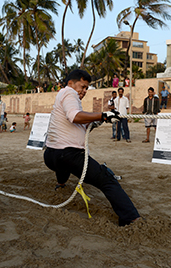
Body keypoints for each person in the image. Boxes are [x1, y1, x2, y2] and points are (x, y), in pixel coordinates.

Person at [43, 69, 140, 226]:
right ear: (70, 83)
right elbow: (74, 116)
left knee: (63, 166)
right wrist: (101, 115)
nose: (84, 91)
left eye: (87, 88)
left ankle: (60, 185)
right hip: (68, 155)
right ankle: (131, 218)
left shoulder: (63, 96)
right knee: (107, 179)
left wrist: (97, 121)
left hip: (50, 156)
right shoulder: (69, 93)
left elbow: (78, 122)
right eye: (82, 87)